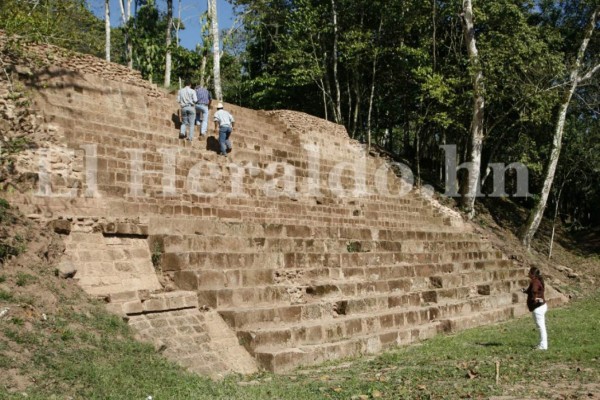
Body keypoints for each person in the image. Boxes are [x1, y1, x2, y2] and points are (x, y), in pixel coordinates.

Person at [522, 266, 548, 350]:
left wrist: (535, 299)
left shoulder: (535, 282)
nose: (528, 273)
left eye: (529, 272)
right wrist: (526, 291)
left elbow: (534, 291)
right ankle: (543, 344)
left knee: (541, 327)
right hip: (541, 306)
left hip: (538, 308)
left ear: (533, 274)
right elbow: (533, 291)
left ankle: (543, 345)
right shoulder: (537, 281)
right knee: (541, 326)